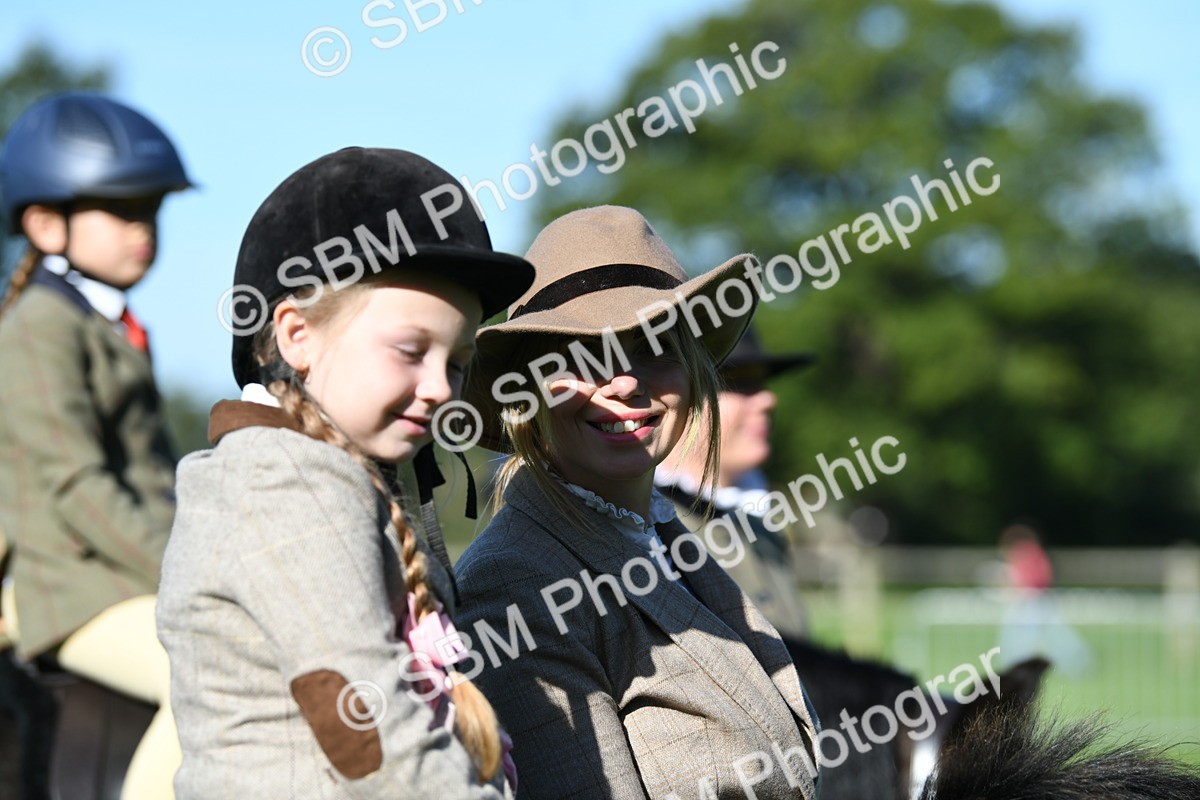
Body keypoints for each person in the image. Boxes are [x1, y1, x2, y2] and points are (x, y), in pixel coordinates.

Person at [155, 147, 534, 799]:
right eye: (411, 351)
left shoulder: (350, 480)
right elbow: (374, 739)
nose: (442, 388)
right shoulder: (284, 483)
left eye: (457, 360)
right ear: (297, 335)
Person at [455, 206, 821, 799]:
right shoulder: (513, 585)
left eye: (653, 347)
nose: (624, 381)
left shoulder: (665, 540)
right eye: (582, 356)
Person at [0, 91, 193, 800]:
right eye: (121, 209)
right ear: (47, 223)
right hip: (76, 584)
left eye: (151, 209)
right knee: (204, 676)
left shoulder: (111, 324)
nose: (143, 228)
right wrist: (193, 564)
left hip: (121, 573)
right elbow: (77, 485)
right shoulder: (37, 327)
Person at [655, 326, 816, 638]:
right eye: (738, 383)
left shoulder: (763, 524)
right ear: (679, 397)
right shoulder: (644, 529)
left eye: (761, 383)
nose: (768, 399)